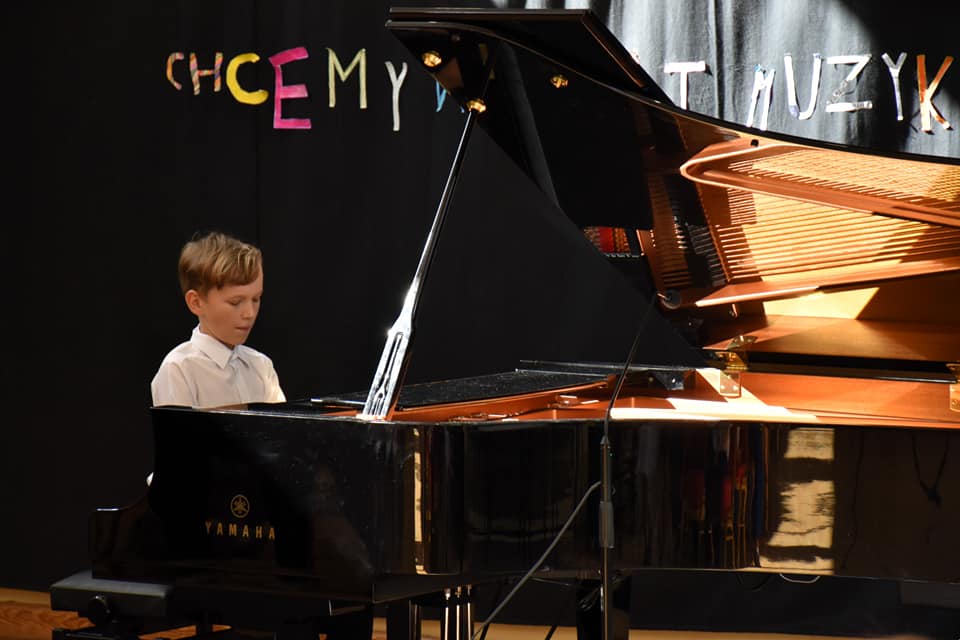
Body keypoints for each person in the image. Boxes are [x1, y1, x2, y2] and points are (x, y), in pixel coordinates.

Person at [150, 231, 286, 409]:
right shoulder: (179, 369)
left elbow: (281, 425)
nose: (249, 313)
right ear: (196, 302)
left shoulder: (261, 366)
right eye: (235, 302)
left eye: (256, 299)